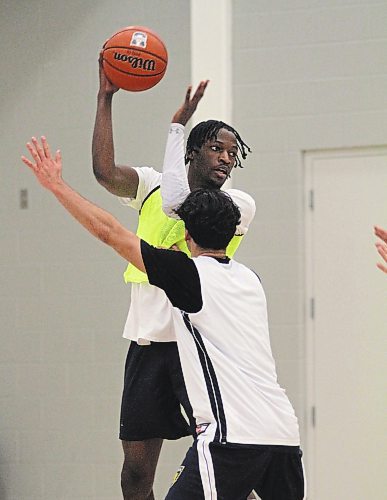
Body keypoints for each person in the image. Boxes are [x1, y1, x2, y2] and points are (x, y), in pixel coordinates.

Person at [21, 139, 305, 499]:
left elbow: (109, 231)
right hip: (283, 432)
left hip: (233, 437)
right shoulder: (251, 280)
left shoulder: (188, 277)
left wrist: (57, 185)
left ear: (186, 236)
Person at [92, 65, 256, 499]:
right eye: (217, 148)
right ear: (194, 151)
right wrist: (106, 97)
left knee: (237, 460)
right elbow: (104, 171)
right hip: (148, 345)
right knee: (134, 475)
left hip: (199, 347)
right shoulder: (150, 186)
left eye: (232, 152)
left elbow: (178, 204)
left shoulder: (236, 205)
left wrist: (175, 127)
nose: (226, 157)